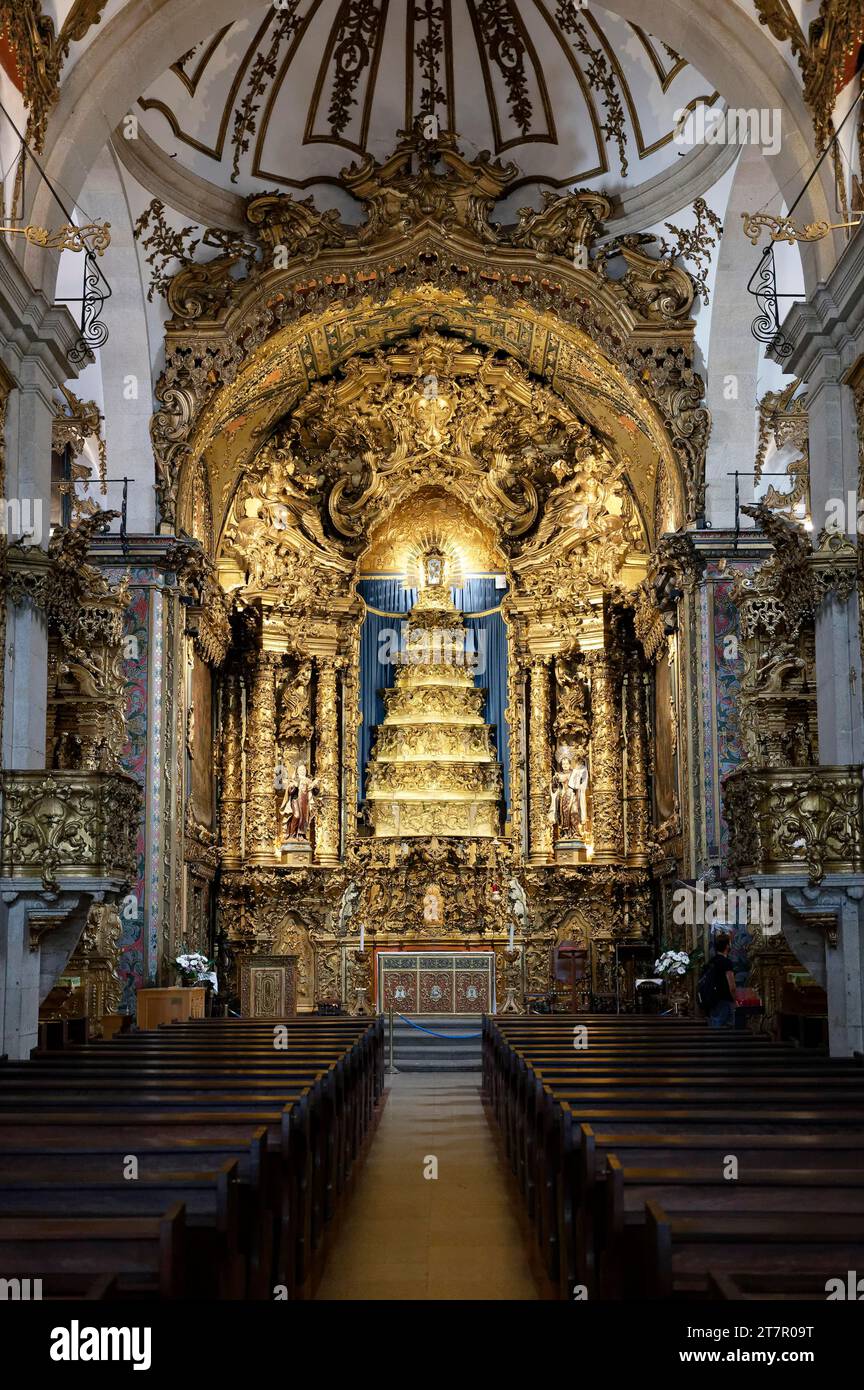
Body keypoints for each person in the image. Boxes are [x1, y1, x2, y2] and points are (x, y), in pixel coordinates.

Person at [707, 930, 737, 1029]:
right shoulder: (726, 962)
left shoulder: (711, 961)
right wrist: (735, 1000)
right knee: (727, 1031)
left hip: (713, 1000)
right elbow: (732, 986)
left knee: (715, 1029)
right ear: (727, 946)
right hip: (725, 1001)